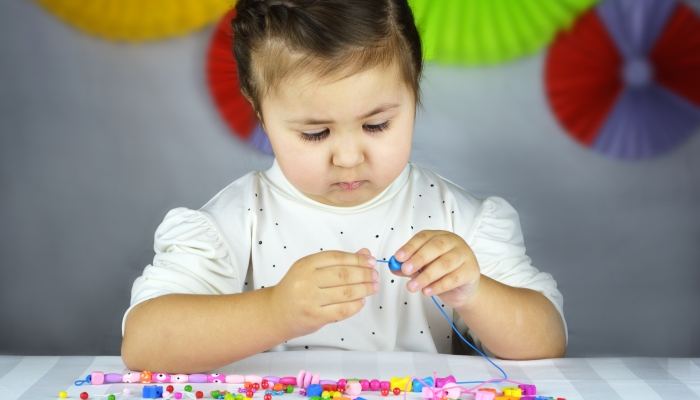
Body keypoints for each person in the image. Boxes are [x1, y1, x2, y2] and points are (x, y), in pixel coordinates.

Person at [121, 0, 567, 373]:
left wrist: (475, 293)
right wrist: (275, 312)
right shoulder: (239, 220)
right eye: (315, 134)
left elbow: (546, 340)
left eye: (377, 125)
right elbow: (144, 343)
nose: (348, 157)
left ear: (414, 91)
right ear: (259, 110)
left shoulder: (458, 218)